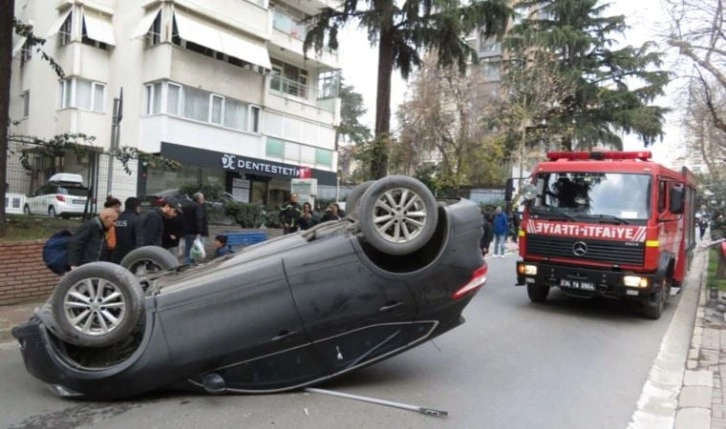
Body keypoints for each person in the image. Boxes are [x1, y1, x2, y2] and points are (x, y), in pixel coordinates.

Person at [111, 197, 141, 264]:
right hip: (130, 255)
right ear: (136, 207)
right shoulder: (137, 219)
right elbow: (139, 239)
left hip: (116, 253)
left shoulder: (118, 217)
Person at [182, 192, 209, 265]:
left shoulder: (185, 206)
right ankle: (193, 265)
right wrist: (198, 231)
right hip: (196, 232)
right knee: (197, 250)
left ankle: (188, 264)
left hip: (187, 232)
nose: (204, 200)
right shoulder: (198, 207)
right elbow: (198, 219)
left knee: (188, 250)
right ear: (200, 199)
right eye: (203, 198)